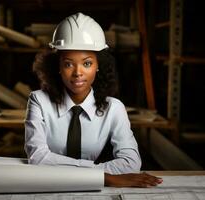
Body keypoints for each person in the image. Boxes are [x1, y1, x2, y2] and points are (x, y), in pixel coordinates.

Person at [24, 12, 163, 188]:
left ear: (98, 66)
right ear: (57, 66)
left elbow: (131, 163)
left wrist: (77, 172)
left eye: (87, 63)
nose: (77, 73)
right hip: (48, 189)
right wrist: (103, 176)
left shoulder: (114, 108)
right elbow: (38, 159)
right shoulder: (39, 101)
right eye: (68, 64)